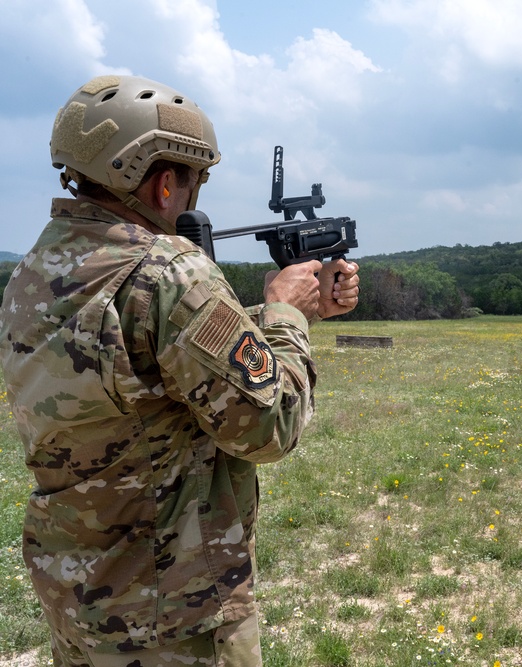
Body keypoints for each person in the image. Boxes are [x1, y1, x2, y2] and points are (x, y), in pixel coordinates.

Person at [0, 75, 360, 666]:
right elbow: (270, 424)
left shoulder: (37, 270)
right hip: (173, 607)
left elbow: (144, 365)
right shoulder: (168, 273)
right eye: (195, 181)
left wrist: (273, 316)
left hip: (79, 590)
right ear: (166, 183)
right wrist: (287, 315)